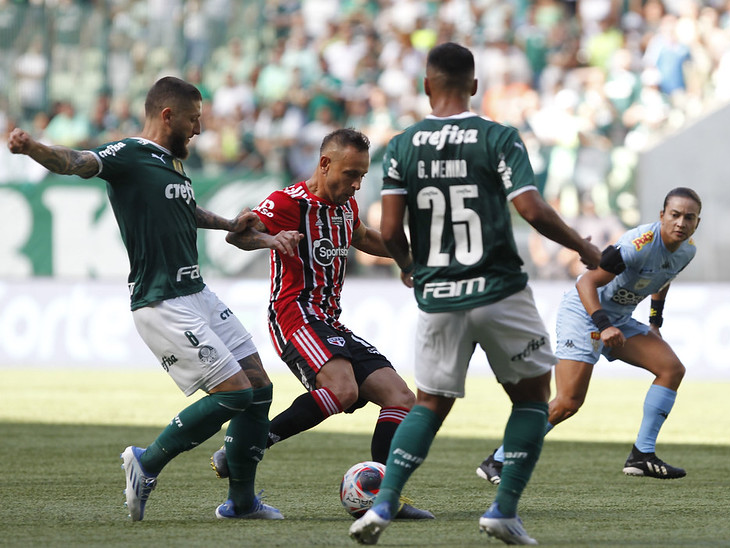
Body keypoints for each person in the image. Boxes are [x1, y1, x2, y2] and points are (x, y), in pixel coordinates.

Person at [7, 76, 303, 521]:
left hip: (196, 291)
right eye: (193, 119)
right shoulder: (128, 154)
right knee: (237, 394)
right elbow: (76, 161)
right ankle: (146, 462)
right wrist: (34, 148)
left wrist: (230, 226)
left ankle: (241, 503)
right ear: (168, 116)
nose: (199, 130)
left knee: (259, 386)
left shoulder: (172, 165)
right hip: (161, 300)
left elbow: (183, 210)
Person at [348, 42, 601, 546]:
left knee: (429, 403)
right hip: (500, 289)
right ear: (475, 86)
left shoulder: (402, 146)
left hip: (439, 295)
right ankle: (503, 510)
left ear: (426, 86)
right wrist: (582, 246)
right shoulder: (498, 137)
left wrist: (410, 267)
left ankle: (381, 504)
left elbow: (390, 228)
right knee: (532, 400)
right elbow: (530, 208)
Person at [215, 127, 433, 520]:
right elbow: (239, 236)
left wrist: (412, 258)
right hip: (294, 313)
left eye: (362, 175)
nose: (356, 183)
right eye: (351, 174)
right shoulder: (287, 202)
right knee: (343, 389)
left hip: (330, 321)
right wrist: (268, 240)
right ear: (325, 163)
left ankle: (385, 498)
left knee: (401, 398)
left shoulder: (346, 206)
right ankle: (251, 445)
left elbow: (364, 237)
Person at [477, 187, 701, 485]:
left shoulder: (687, 249)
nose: (681, 223)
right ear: (662, 215)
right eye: (674, 215)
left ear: (697, 222)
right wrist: (603, 324)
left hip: (617, 319)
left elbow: (663, 277)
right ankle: (498, 459)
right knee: (568, 402)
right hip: (584, 313)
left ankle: (642, 455)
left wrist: (654, 322)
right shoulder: (639, 244)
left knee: (671, 369)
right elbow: (586, 282)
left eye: (689, 217)